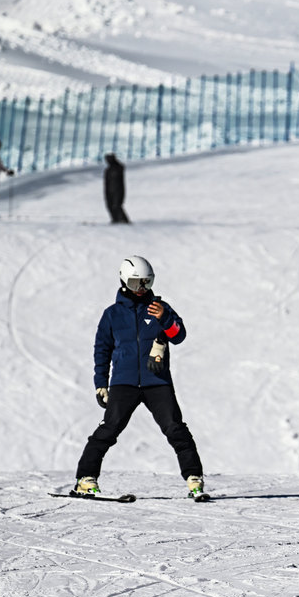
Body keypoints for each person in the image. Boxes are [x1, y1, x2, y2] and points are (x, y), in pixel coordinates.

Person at [73, 256, 206, 499]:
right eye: (136, 283)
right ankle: (85, 479)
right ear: (124, 281)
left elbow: (179, 336)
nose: (142, 288)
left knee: (176, 428)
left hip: (157, 382)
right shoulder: (112, 314)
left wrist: (164, 318)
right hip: (124, 382)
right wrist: (101, 384)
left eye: (147, 282)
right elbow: (102, 350)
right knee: (109, 429)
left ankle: (194, 479)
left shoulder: (160, 309)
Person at [103, 153, 130, 224]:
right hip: (109, 190)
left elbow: (121, 168)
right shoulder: (108, 170)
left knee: (117, 205)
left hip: (118, 190)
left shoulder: (118, 168)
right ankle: (115, 219)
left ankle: (124, 220)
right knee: (109, 205)